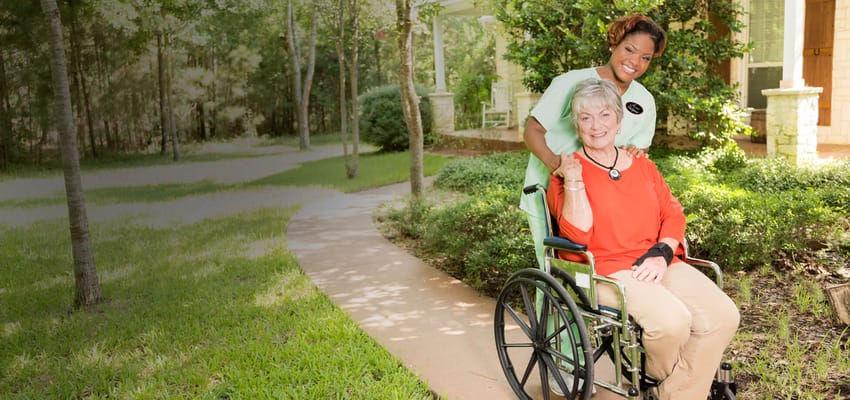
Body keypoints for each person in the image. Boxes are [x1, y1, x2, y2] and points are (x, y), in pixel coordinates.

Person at [547, 78, 740, 399]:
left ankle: (669, 392)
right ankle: (659, 385)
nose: (596, 126)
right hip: (605, 270)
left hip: (658, 260)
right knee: (672, 322)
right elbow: (577, 235)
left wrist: (663, 251)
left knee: (723, 316)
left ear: (619, 121)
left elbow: (673, 213)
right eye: (586, 117)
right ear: (576, 124)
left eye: (605, 115)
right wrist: (575, 179)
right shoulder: (566, 173)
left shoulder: (641, 164)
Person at [521, 13, 667, 270]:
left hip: (602, 200)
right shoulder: (570, 83)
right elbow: (532, 130)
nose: (634, 62)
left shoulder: (644, 101)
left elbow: (639, 150)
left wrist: (636, 151)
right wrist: (556, 165)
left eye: (645, 58)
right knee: (557, 274)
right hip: (552, 191)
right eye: (629, 50)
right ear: (613, 45)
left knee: (598, 275)